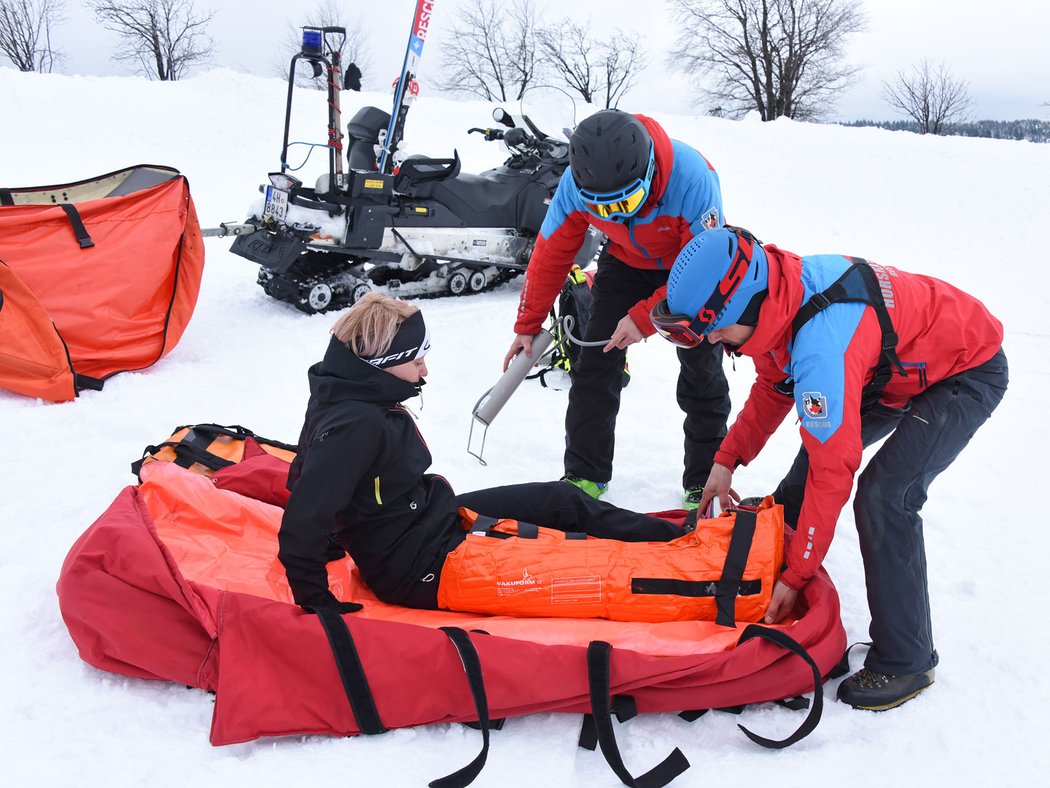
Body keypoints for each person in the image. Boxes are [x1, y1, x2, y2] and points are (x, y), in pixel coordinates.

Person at [650, 226, 1008, 710]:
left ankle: (907, 659)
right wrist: (725, 460)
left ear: (745, 306)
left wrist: (797, 577)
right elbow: (773, 389)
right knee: (811, 462)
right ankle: (767, 563)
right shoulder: (779, 297)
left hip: (964, 369)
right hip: (889, 368)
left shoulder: (822, 346)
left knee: (886, 496)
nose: (713, 340)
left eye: (714, 329)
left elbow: (834, 470)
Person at [277, 293, 688, 615]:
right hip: (422, 568)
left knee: (562, 499)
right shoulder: (355, 424)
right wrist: (316, 601)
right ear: (382, 364)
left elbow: (303, 476)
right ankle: (690, 558)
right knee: (575, 563)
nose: (424, 372)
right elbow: (304, 515)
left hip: (431, 522)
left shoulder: (346, 393)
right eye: (416, 360)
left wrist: (336, 540)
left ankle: (686, 540)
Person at [503, 109, 730, 507]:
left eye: (626, 203)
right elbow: (551, 251)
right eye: (603, 211)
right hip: (625, 263)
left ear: (648, 175)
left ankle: (704, 480)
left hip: (690, 262)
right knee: (593, 365)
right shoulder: (576, 183)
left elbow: (704, 272)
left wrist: (644, 319)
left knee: (701, 372)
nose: (619, 215)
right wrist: (528, 322)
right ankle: (584, 476)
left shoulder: (693, 178)